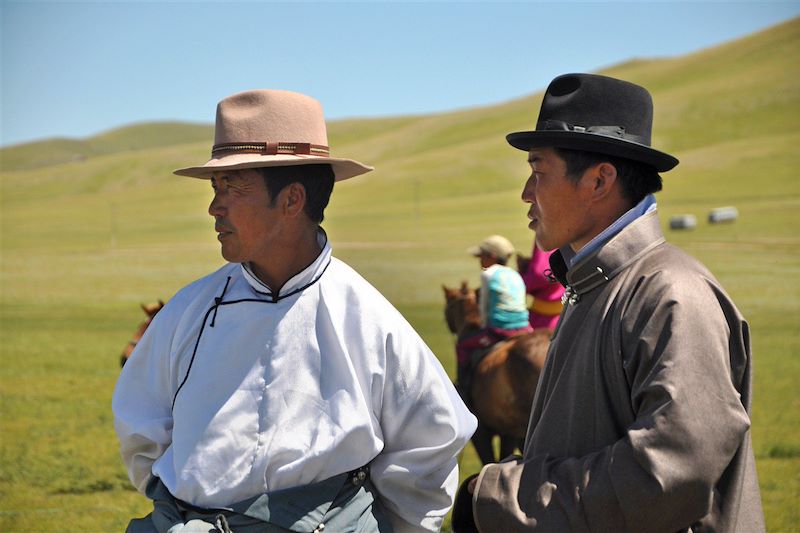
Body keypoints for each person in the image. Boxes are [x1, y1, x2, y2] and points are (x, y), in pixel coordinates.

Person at [112, 89, 477, 533]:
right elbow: (141, 428)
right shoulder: (188, 311)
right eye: (215, 187)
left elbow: (433, 438)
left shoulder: (366, 317)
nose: (214, 207)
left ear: (292, 200)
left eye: (232, 186)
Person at [453, 73, 764, 532]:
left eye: (539, 172)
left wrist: (502, 498)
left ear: (599, 181)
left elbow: (667, 476)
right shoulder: (595, 284)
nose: (526, 193)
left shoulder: (671, 295)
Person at [455, 235, 532, 396]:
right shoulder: (515, 275)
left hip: (499, 330)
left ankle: (463, 389)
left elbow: (484, 307)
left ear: (492, 257)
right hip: (525, 327)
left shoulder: (488, 275)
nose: (479, 260)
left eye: (482, 256)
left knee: (462, 346)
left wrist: (483, 326)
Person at [518, 244, 563, 329]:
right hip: (561, 312)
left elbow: (542, 274)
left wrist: (520, 281)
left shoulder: (548, 233)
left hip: (546, 319)